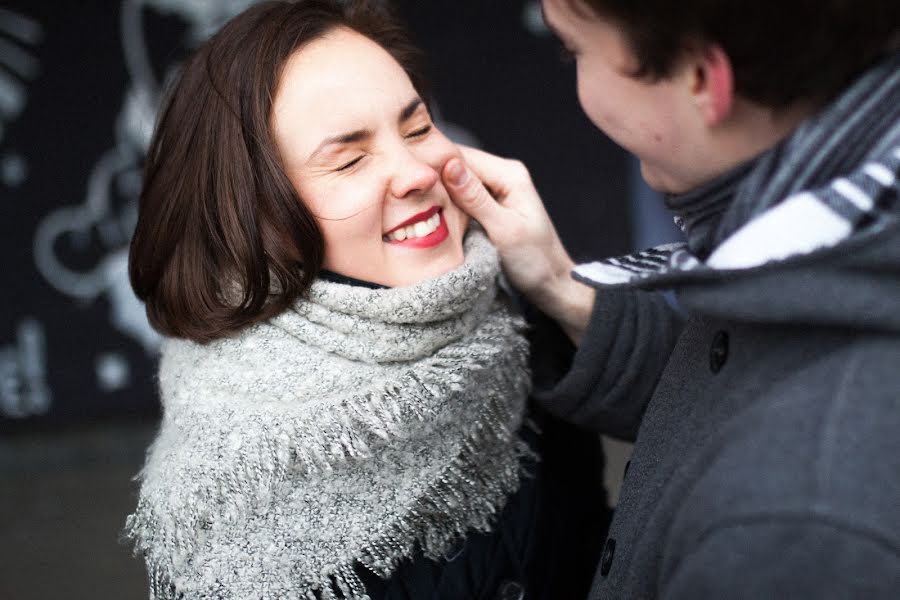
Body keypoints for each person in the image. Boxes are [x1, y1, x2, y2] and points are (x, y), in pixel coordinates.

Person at [124, 1, 607, 599]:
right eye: (350, 159)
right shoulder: (233, 486)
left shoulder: (513, 315)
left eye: (417, 127)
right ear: (254, 219)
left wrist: (563, 290)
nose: (416, 172)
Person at [438, 0, 900, 598]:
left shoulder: (799, 529)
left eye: (574, 50)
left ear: (701, 80)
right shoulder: (836, 241)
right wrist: (561, 285)